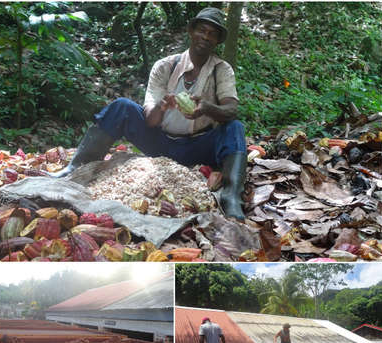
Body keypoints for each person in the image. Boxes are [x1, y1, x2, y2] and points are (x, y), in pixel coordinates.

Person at [52, 7, 247, 220]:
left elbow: (231, 109)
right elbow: (150, 120)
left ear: (217, 41)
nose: (205, 37)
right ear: (191, 32)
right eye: (202, 30)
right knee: (122, 106)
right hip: (160, 142)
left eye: (212, 34)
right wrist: (162, 106)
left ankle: (231, 196)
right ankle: (77, 166)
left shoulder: (222, 70)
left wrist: (208, 108)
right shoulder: (165, 66)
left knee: (234, 127)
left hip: (198, 146)